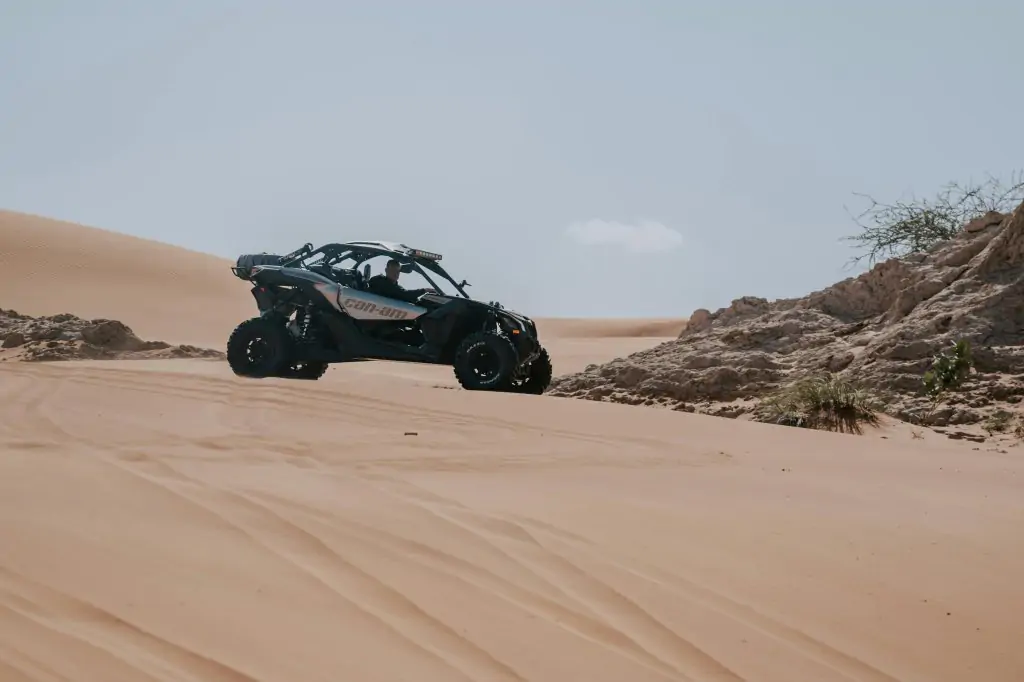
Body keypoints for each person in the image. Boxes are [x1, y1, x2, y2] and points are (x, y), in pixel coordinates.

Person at [367, 258, 436, 304]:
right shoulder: (380, 282)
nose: (396, 274)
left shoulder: (396, 286)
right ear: (386, 270)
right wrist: (424, 290)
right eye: (393, 270)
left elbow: (405, 295)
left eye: (398, 271)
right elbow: (404, 294)